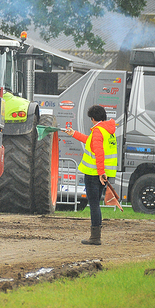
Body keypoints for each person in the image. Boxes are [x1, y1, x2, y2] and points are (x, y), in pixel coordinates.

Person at [65, 104, 117, 246]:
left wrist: (100, 173)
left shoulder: (98, 131)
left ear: (93, 119)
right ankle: (95, 236)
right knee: (96, 204)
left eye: (91, 119)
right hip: (103, 173)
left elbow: (99, 153)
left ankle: (95, 237)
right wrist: (74, 133)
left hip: (94, 173)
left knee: (94, 205)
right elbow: (90, 141)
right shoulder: (108, 130)